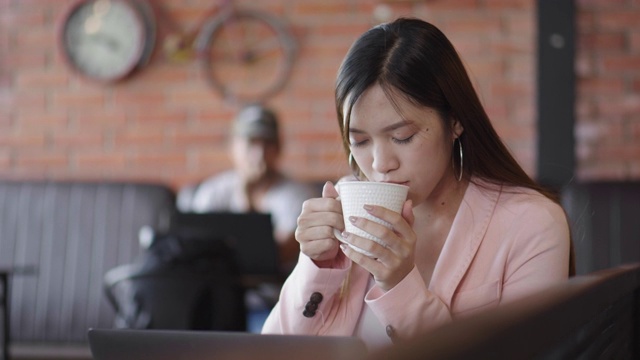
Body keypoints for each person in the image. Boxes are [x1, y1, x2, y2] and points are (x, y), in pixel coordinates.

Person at [261, 18, 573, 350]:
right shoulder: (347, 207)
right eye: (361, 141)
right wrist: (318, 268)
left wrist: (400, 287)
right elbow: (271, 351)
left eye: (403, 136)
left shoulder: (531, 224)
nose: (381, 165)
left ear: (455, 121)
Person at [177, 104, 316, 273]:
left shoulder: (300, 197)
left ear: (279, 148)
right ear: (232, 147)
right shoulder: (212, 191)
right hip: (216, 284)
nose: (259, 154)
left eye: (267, 144)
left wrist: (246, 198)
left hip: (271, 292)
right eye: (251, 143)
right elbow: (193, 247)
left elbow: (275, 256)